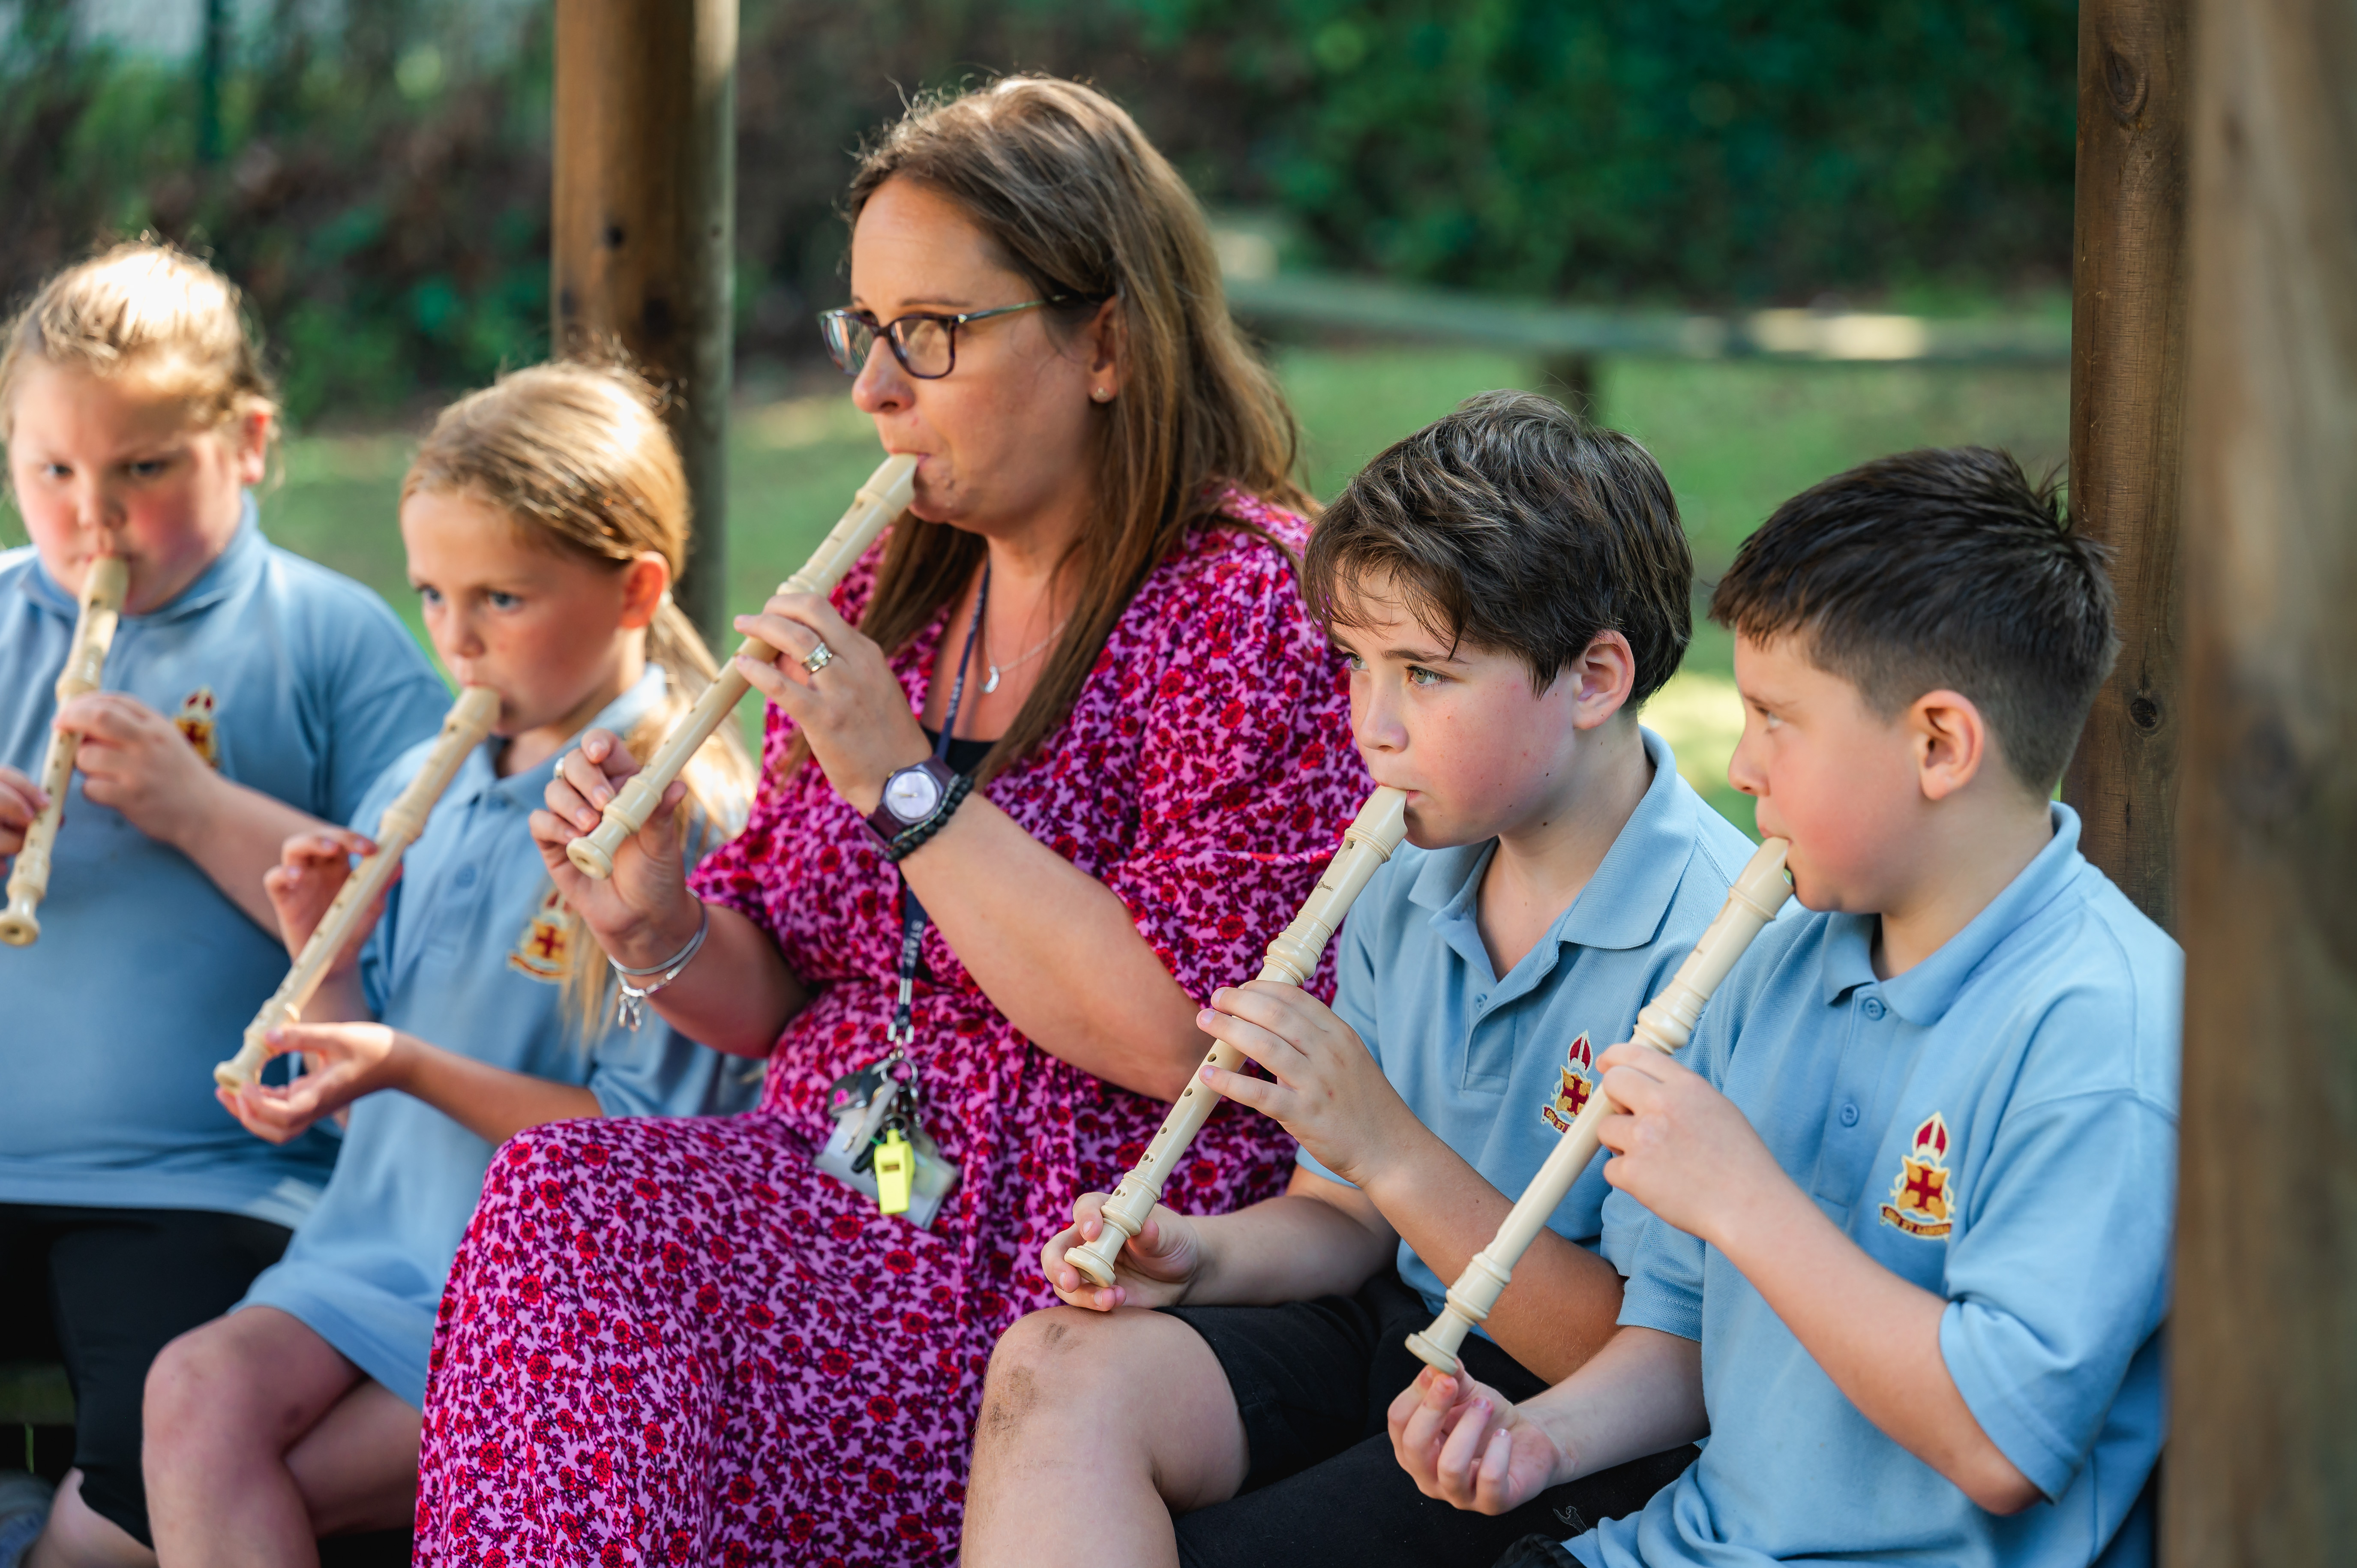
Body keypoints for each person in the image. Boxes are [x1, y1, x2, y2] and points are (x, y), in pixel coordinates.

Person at [408, 77, 1371, 1566]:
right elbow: (777, 987)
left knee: (587, 1229)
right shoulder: (899, 590)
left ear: (1105, 338)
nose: (873, 389)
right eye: (864, 330)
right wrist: (659, 921)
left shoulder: (1252, 609)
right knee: (567, 1194)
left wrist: (907, 784)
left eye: (931, 331)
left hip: (1078, 1247)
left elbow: (1189, 1034)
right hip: (846, 1192)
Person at [964, 390, 1759, 1568]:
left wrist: (1386, 1141)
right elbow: (1343, 1215)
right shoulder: (1407, 869)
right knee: (1050, 1367)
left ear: (1593, 678)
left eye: (1426, 675)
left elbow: (1651, 1356)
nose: (1368, 727)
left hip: (1554, 1408)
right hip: (1392, 1326)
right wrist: (1199, 1254)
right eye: (1353, 664)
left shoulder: (1716, 942)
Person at [1391, 447, 2178, 1568]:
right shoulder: (1775, 958)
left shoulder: (2102, 1029)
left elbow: (2002, 1442)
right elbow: (1681, 1333)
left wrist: (1743, 1197)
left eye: (1775, 717)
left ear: (1938, 744)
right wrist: (1537, 1439)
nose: (1743, 763)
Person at [135, 363, 762, 1562]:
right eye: (431, 594)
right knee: (188, 1395)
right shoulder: (419, 782)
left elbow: (633, 1147)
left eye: (501, 601)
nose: (456, 643)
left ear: (634, 590)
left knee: (228, 1488)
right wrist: (327, 961)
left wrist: (407, 1063)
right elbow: (365, 1049)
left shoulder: (672, 826)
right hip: (368, 1250)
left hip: (543, 1309)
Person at [0, 245, 448, 1568]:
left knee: (158, 1469)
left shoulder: (331, 635)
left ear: (248, 442)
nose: (95, 517)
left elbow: (412, 901)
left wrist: (198, 809)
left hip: (213, 1179)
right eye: (54, 471)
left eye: (144, 468)